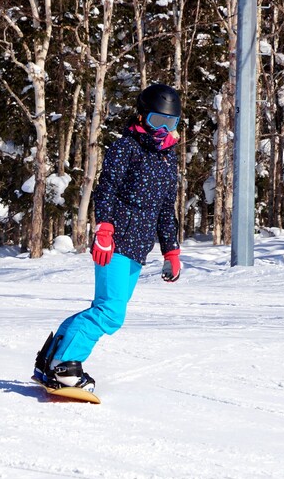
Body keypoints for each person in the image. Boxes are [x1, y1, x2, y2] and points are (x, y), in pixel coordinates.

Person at [33, 83, 183, 393]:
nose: (165, 130)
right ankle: (66, 366)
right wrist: (104, 228)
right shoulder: (125, 147)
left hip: (139, 249)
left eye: (172, 124)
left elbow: (166, 208)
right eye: (159, 122)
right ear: (142, 117)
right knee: (110, 313)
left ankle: (50, 360)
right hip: (115, 242)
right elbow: (107, 190)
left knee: (105, 308)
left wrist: (171, 251)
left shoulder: (169, 159)